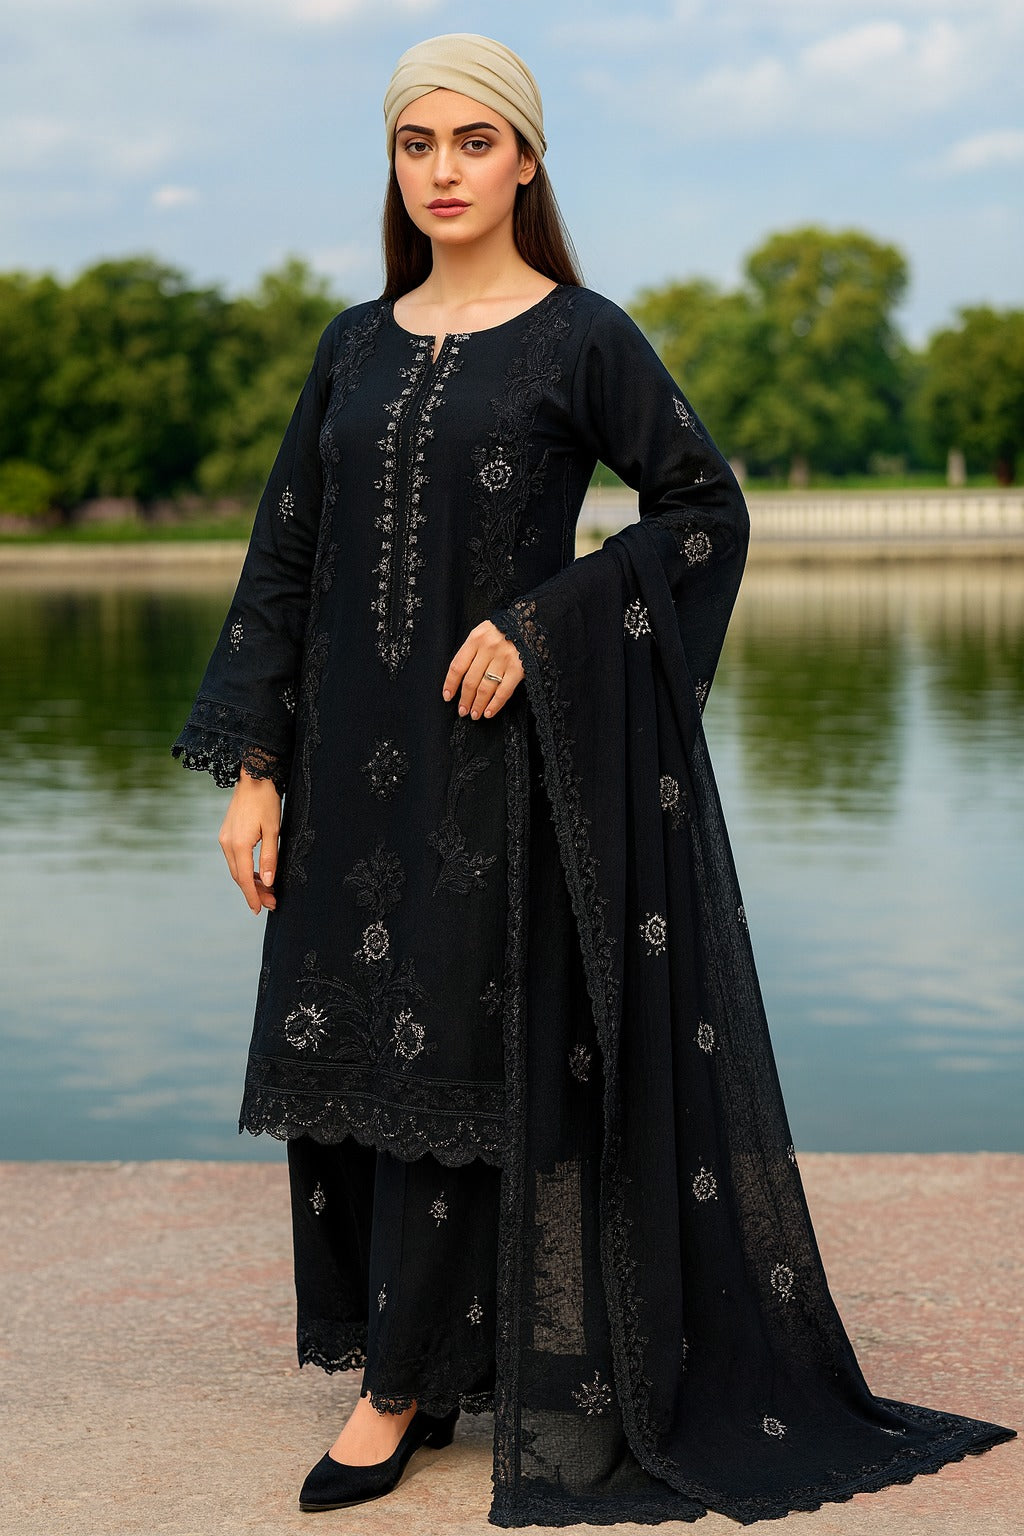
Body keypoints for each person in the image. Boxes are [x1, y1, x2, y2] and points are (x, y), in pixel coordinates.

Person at [170, 30, 1016, 1526]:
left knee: (451, 1059)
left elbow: (703, 511)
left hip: (503, 771)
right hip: (348, 773)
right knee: (349, 1056)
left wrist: (539, 620)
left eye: (473, 142)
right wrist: (257, 766)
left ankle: (397, 1398)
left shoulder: (581, 338)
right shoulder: (353, 347)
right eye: (416, 143)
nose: (443, 169)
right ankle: (410, 1350)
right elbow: (283, 558)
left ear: (527, 158)